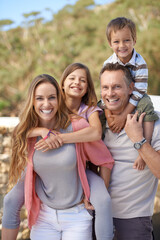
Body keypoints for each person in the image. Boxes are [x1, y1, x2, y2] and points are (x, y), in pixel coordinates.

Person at [2, 73, 114, 240]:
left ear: (59, 99)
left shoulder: (76, 126)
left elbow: (105, 159)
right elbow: (20, 131)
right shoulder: (29, 132)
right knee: (10, 200)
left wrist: (96, 194)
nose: (46, 104)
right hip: (44, 216)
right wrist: (42, 131)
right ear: (32, 101)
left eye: (52, 98)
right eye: (39, 98)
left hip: (76, 215)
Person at [99, 62, 160, 240]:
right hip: (96, 216)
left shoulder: (152, 122)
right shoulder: (98, 122)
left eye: (117, 86)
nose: (110, 93)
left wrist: (139, 140)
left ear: (131, 88)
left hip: (134, 221)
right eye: (105, 87)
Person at [102, 17, 159, 170]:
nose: (122, 46)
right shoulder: (108, 63)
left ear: (134, 40)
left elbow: (140, 91)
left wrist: (122, 117)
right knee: (98, 106)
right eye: (116, 42)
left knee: (147, 105)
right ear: (110, 44)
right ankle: (101, 151)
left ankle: (143, 150)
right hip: (116, 94)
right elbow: (105, 88)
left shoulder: (140, 63)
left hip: (136, 96)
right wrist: (109, 115)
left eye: (126, 40)